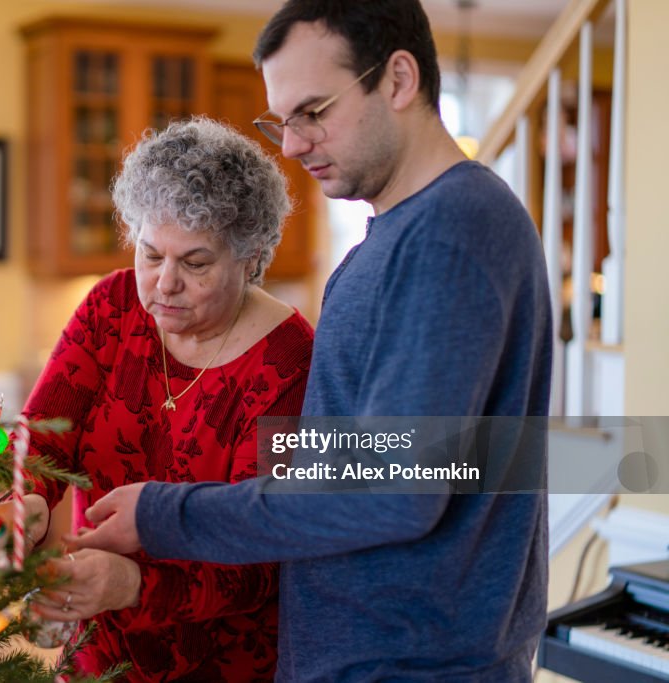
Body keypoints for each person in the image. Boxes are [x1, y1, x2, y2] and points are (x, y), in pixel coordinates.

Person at [69, 2, 553, 682]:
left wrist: (163, 511)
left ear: (398, 80)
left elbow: (395, 486)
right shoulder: (389, 243)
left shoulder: (452, 232)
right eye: (281, 120)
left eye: (313, 111)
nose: (291, 145)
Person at [7, 116, 314, 681]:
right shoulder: (112, 306)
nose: (164, 283)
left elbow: (267, 554)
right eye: (150, 255)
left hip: (226, 661)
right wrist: (22, 497)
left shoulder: (289, 362)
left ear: (250, 257)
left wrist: (131, 584)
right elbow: (44, 430)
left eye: (195, 263)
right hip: (98, 646)